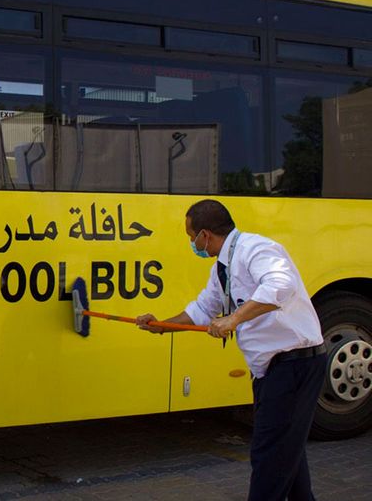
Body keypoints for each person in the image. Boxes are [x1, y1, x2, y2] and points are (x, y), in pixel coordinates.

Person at [136, 199, 325, 501]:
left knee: (268, 455)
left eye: (190, 236)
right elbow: (201, 309)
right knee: (286, 451)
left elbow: (280, 285)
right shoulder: (222, 268)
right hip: (271, 369)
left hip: (294, 364)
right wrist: (162, 325)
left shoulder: (255, 249)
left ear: (205, 235)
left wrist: (234, 319)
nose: (191, 243)